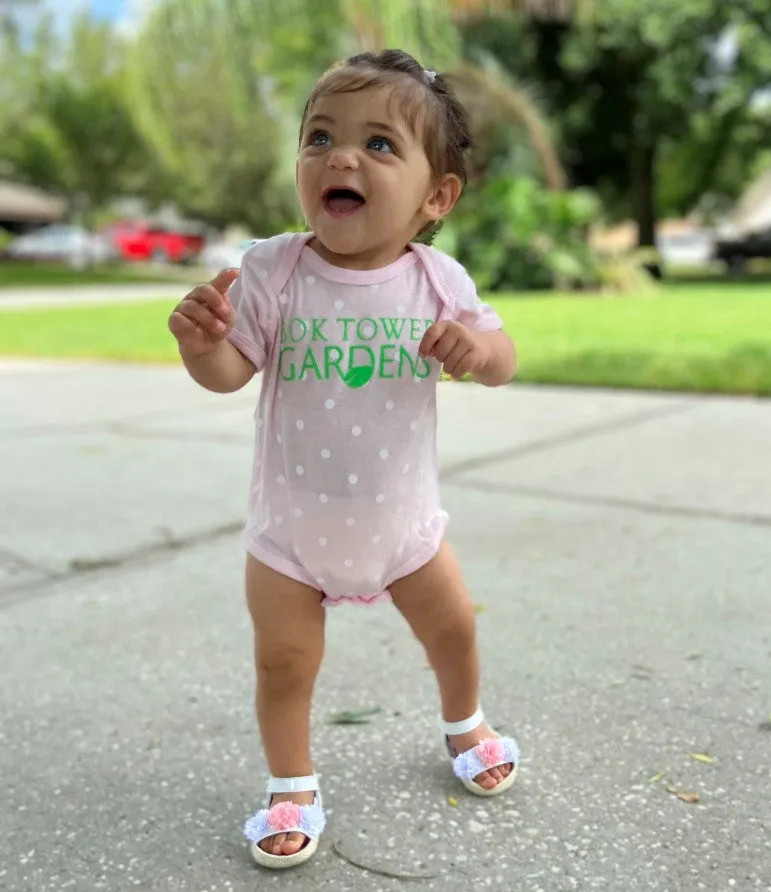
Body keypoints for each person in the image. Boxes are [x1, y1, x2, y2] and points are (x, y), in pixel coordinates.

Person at [168, 49, 520, 870]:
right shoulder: (274, 270)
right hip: (291, 534)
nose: (341, 156)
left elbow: (503, 356)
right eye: (319, 136)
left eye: (380, 144)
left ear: (436, 196)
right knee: (284, 662)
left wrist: (475, 349)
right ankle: (291, 782)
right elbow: (230, 376)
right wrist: (203, 347)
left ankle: (465, 720)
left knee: (454, 631)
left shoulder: (437, 280)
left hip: (405, 530)